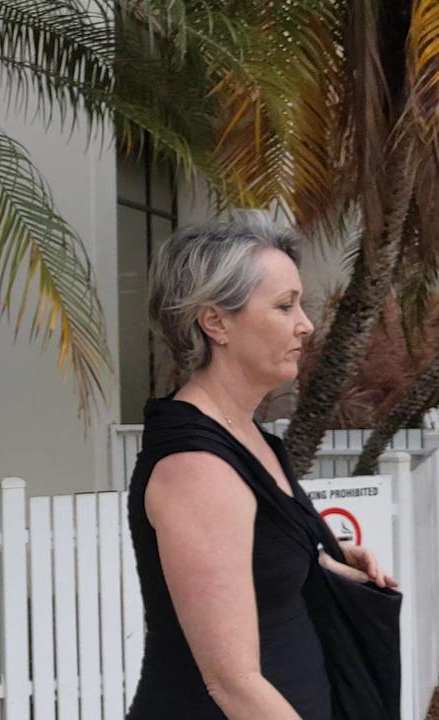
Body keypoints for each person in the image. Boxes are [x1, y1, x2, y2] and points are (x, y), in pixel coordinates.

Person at [126, 221, 397, 719]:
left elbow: (248, 561)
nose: (306, 324)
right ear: (216, 322)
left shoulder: (250, 438)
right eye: (284, 305)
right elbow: (232, 683)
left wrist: (320, 562)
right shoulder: (196, 466)